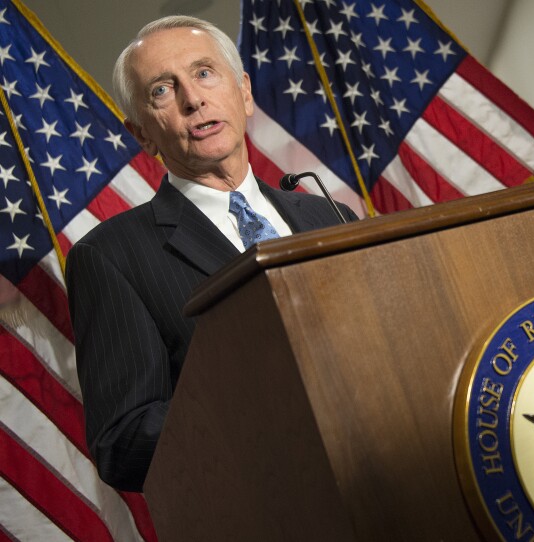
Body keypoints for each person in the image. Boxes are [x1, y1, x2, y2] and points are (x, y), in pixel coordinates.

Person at [65, 15, 357, 492]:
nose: (193, 98)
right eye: (162, 90)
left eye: (204, 73)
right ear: (141, 133)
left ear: (243, 92)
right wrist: (267, 409)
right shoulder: (110, 256)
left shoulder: (331, 215)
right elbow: (123, 442)